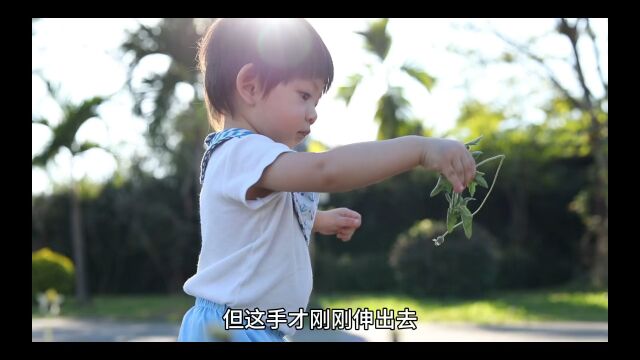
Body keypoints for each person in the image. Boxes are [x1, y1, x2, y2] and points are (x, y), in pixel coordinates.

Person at [178, 18, 476, 342]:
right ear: (250, 85)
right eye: (304, 95)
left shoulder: (249, 159)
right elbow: (326, 170)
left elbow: (255, 225)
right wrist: (419, 150)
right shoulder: (242, 150)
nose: (313, 113)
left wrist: (316, 220)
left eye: (315, 101)